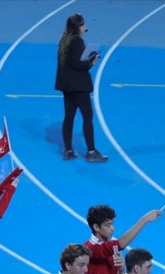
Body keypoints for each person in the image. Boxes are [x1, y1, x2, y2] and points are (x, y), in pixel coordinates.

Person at [55, 13, 107, 162]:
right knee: (87, 118)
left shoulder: (64, 40)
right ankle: (91, 152)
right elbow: (78, 64)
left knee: (69, 117)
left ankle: (68, 150)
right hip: (79, 86)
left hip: (67, 86)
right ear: (78, 27)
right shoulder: (77, 41)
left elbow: (68, 63)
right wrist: (92, 61)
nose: (85, 27)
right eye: (83, 25)